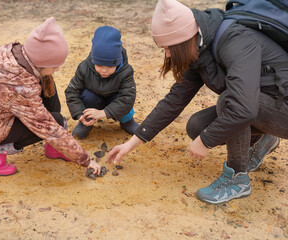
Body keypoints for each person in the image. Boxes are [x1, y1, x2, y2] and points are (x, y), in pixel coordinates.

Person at [106, 0, 288, 204]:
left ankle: (237, 179)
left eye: (168, 47)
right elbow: (174, 100)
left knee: (230, 103)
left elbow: (243, 108)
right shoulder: (200, 47)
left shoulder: (235, 40)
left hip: (282, 106)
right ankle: (263, 140)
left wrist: (206, 141)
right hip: (263, 102)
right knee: (197, 126)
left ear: (182, 39)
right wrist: (132, 143)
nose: (167, 54)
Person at [0, 17, 101, 176]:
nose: (57, 70)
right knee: (56, 121)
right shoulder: (22, 89)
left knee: (47, 82)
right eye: (55, 66)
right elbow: (48, 128)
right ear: (42, 61)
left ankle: (53, 149)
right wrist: (85, 159)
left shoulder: (8, 51)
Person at [65, 26, 139, 139]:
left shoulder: (126, 71)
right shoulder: (84, 68)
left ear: (118, 62)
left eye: (109, 66)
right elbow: (72, 92)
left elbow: (128, 98)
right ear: (93, 60)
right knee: (88, 96)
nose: (104, 70)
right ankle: (87, 121)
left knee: (123, 99)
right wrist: (79, 113)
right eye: (99, 65)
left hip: (114, 100)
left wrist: (104, 113)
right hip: (94, 99)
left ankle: (127, 121)